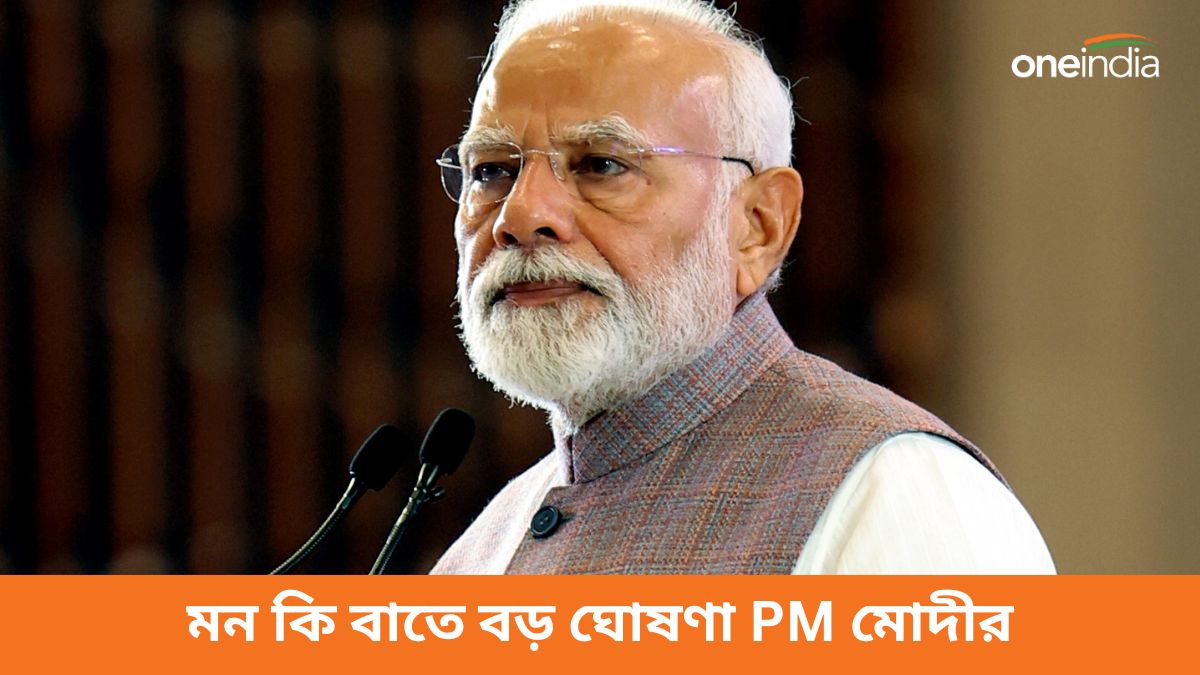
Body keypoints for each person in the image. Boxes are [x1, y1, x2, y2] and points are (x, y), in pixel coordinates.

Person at [431, 0, 1054, 574]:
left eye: (602, 165)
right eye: (491, 171)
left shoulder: (890, 491)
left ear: (758, 225)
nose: (519, 216)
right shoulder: (483, 547)